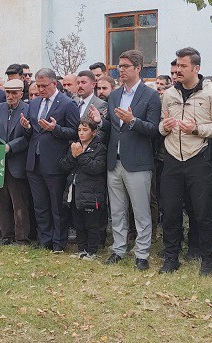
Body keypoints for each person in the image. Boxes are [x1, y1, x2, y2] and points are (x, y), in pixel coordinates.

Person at [88, 50, 161, 271]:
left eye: (126, 66)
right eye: (120, 66)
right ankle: (119, 249)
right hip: (115, 161)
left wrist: (132, 121)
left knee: (140, 211)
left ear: (138, 69)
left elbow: (153, 130)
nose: (121, 69)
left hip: (138, 162)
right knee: (117, 209)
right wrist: (100, 121)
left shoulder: (150, 96)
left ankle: (142, 253)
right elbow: (111, 128)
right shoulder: (115, 95)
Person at [157, 47, 212, 276]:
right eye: (177, 65)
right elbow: (161, 124)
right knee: (170, 211)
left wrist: (197, 129)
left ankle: (206, 259)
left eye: (183, 66)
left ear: (196, 68)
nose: (177, 70)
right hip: (172, 158)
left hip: (198, 157)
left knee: (203, 212)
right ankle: (171, 257)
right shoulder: (169, 94)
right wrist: (163, 127)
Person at [20, 68, 79, 252]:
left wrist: (55, 129)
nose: (40, 89)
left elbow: (74, 131)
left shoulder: (67, 104)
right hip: (34, 161)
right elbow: (32, 133)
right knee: (40, 204)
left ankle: (58, 242)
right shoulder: (34, 103)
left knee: (56, 205)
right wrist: (27, 127)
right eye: (38, 86)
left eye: (44, 86)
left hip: (55, 162)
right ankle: (44, 239)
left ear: (54, 83)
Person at [0, 79, 30, 245]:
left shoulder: (28, 108)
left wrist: (10, 147)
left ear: (21, 93)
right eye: (7, 93)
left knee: (19, 201)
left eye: (14, 93)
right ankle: (6, 235)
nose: (10, 96)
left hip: (17, 160)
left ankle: (22, 237)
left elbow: (28, 136)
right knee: (0, 200)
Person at [59, 119, 107, 260]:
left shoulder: (99, 148)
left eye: (85, 130)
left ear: (94, 132)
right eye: (79, 130)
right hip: (74, 190)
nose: (81, 133)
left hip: (91, 192)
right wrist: (73, 157)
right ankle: (82, 249)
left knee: (91, 224)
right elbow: (63, 166)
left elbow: (96, 168)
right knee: (78, 223)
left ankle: (92, 251)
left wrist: (80, 156)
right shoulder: (75, 146)